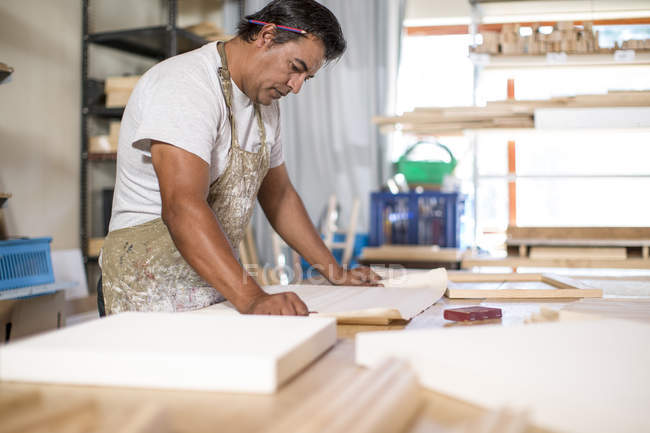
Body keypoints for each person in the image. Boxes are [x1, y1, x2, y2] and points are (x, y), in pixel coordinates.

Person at [99, 0, 381, 316]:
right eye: (296, 68)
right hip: (147, 287)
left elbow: (281, 197)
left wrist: (335, 272)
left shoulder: (267, 106)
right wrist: (253, 298)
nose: (296, 87)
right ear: (268, 36)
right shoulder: (187, 84)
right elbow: (182, 205)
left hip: (211, 284)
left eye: (307, 78)